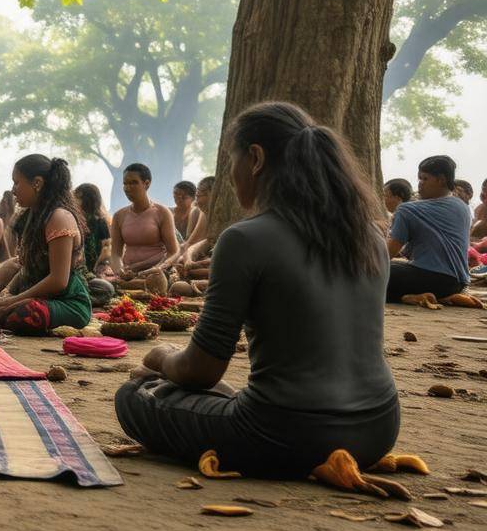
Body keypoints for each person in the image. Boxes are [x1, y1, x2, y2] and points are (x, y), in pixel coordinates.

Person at [115, 101, 398, 478]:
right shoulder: (369, 237)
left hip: (284, 434)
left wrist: (161, 357)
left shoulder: (245, 239)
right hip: (378, 428)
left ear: (255, 158)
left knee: (134, 395)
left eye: (230, 162)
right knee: (222, 395)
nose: (230, 177)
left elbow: (201, 370)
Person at [0, 156, 91, 332]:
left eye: (17, 183)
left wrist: (11, 301)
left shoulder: (59, 217)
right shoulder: (30, 217)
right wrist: (6, 294)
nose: (13, 190)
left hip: (67, 302)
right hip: (33, 297)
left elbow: (58, 281)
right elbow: (25, 268)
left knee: (25, 313)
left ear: (37, 183)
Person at [386, 155, 471, 304]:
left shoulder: (407, 210)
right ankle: (443, 297)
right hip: (458, 284)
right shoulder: (463, 207)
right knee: (394, 268)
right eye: (419, 179)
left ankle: (411, 297)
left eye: (424, 179)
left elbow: (389, 253)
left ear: (441, 180)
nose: (420, 184)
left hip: (430, 279)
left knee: (365, 274)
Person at [110, 163, 178, 285]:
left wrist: (159, 267)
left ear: (146, 184)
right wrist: (119, 271)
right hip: (129, 274)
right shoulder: (119, 216)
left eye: (133, 183)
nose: (127, 188)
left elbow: (173, 251)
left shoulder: (162, 212)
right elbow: (115, 254)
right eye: (125, 183)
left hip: (156, 273)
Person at [73, 183, 112, 277]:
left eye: (78, 197)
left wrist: (96, 265)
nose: (74, 200)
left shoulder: (100, 221)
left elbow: (106, 247)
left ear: (87, 200)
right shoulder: (73, 220)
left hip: (93, 269)